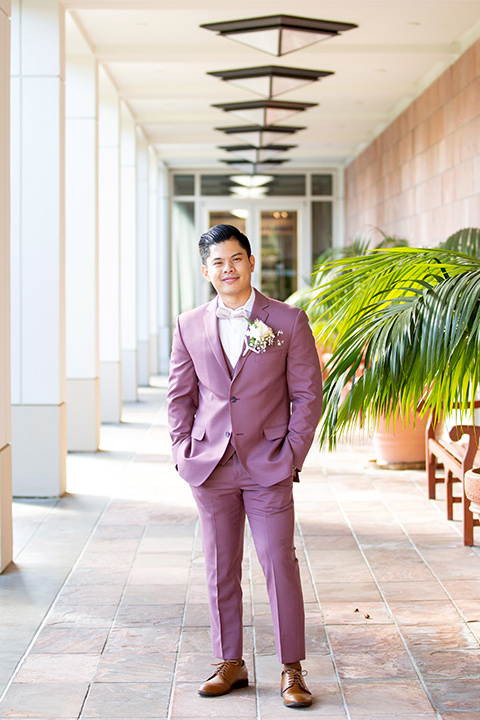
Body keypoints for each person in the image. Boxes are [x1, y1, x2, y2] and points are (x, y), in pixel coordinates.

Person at [167, 224, 323, 708]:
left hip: (268, 464)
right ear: (205, 271)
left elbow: (307, 395)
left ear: (251, 262)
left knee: (278, 562)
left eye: (235, 259)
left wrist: (291, 453)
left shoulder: (288, 321)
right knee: (219, 566)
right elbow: (180, 396)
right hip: (210, 465)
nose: (227, 269)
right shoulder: (188, 323)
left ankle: (291, 669)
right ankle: (229, 662)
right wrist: (182, 451)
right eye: (217, 262)